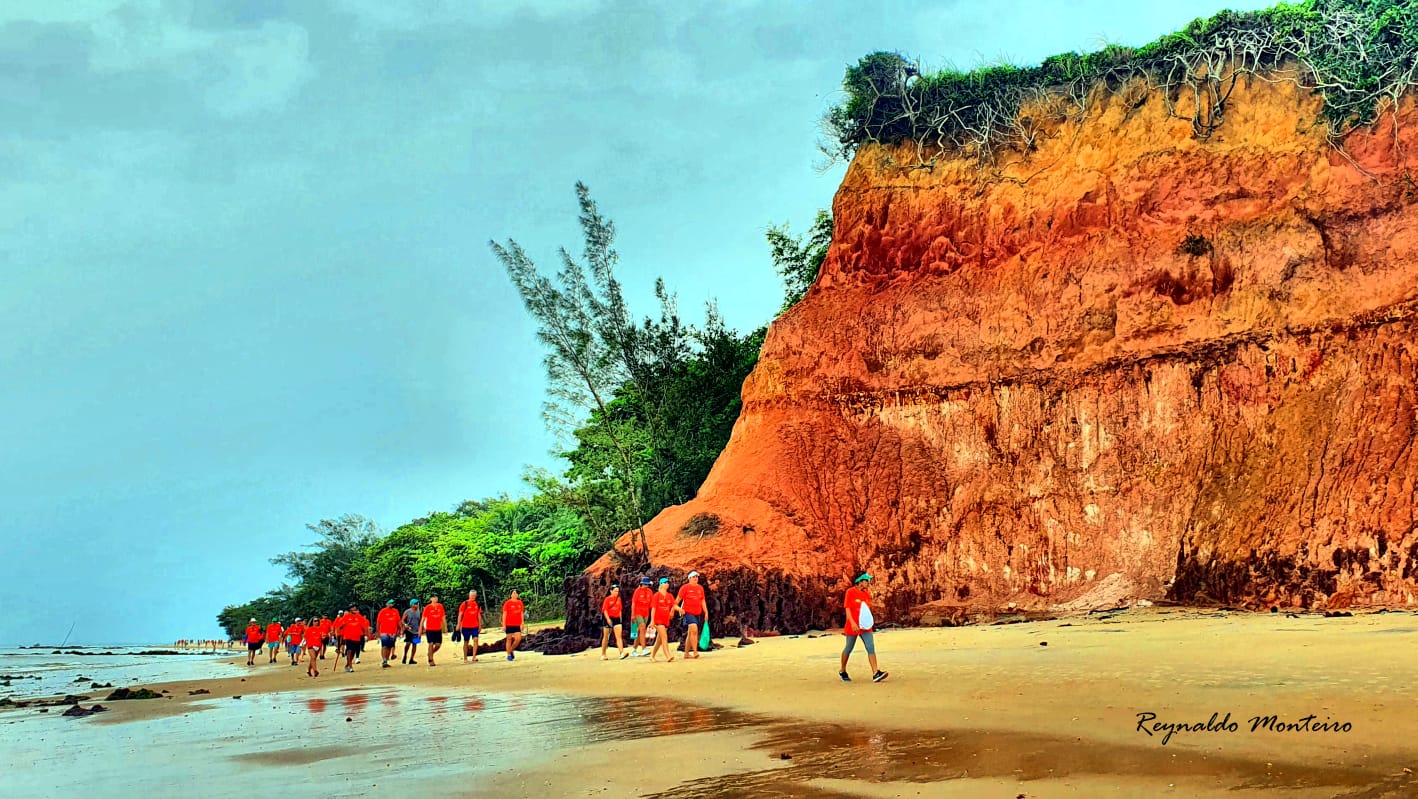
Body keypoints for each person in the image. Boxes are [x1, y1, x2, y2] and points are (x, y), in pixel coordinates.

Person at [840, 573, 888, 683]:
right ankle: (843, 670)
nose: (868, 583)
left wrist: (869, 623)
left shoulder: (866, 594)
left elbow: (865, 611)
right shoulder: (850, 592)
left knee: (870, 646)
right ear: (860, 581)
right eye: (866, 580)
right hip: (853, 625)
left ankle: (875, 673)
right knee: (849, 648)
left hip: (865, 626)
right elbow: (848, 609)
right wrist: (852, 623)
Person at [675, 571, 709, 660]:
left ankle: (686, 653)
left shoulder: (700, 588)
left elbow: (702, 601)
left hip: (697, 613)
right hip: (688, 613)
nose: (695, 578)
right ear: (689, 578)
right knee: (694, 630)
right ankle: (695, 652)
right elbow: (676, 601)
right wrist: (678, 609)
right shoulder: (685, 588)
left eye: (696, 577)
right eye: (693, 577)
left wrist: (706, 612)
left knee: (690, 633)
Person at [649, 578, 678, 662]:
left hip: (665, 620)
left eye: (667, 582)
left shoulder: (669, 595)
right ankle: (667, 655)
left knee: (659, 640)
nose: (667, 584)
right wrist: (652, 621)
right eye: (665, 582)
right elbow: (653, 609)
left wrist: (680, 609)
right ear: (661, 584)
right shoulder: (656, 595)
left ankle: (652, 655)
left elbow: (674, 605)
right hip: (658, 620)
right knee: (664, 637)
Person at [600, 584, 627, 660]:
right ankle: (603, 653)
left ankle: (621, 652)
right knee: (606, 637)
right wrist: (608, 619)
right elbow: (605, 610)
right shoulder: (607, 599)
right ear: (611, 591)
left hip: (616, 618)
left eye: (617, 591)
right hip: (608, 618)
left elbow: (620, 609)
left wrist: (620, 619)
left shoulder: (619, 599)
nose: (616, 593)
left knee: (619, 636)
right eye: (615, 591)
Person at [340, 604, 369, 673]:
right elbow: (341, 625)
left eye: (355, 607)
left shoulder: (359, 616)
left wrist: (366, 635)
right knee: (349, 650)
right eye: (352, 607)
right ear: (350, 609)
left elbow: (364, 626)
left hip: (357, 636)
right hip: (348, 636)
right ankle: (350, 666)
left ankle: (347, 664)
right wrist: (341, 627)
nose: (354, 608)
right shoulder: (346, 616)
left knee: (353, 652)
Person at [630, 577, 653, 657]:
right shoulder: (637, 591)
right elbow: (633, 603)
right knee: (642, 627)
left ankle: (634, 649)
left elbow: (651, 603)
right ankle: (644, 649)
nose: (646, 586)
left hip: (646, 613)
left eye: (647, 584)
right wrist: (633, 614)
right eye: (645, 584)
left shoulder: (650, 591)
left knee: (640, 631)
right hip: (638, 612)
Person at [421, 595, 447, 666]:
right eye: (434, 597)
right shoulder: (427, 607)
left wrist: (445, 627)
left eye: (436, 597)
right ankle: (431, 659)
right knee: (431, 643)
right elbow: (423, 618)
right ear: (431, 599)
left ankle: (430, 653)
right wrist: (421, 628)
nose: (435, 599)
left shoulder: (440, 606)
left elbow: (443, 617)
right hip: (429, 628)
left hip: (438, 628)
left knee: (438, 645)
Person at [376, 600, 401, 668]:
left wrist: (400, 629)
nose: (392, 604)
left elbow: (398, 621)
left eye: (393, 603)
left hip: (393, 632)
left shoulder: (395, 611)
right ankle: (384, 659)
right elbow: (378, 622)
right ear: (387, 604)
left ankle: (386, 660)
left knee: (390, 646)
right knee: (384, 646)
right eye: (391, 603)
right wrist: (377, 632)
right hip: (384, 631)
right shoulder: (383, 611)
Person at [458, 590, 481, 663]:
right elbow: (460, 615)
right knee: (466, 641)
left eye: (474, 595)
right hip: (465, 626)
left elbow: (478, 615)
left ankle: (474, 656)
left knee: (476, 639)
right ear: (469, 595)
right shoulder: (465, 603)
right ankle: (465, 657)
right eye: (472, 595)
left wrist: (480, 625)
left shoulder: (477, 604)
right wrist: (458, 625)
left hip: (475, 625)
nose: (473, 597)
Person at [502, 590, 524, 661]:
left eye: (516, 593)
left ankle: (511, 650)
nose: (515, 594)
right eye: (513, 593)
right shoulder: (507, 603)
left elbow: (521, 613)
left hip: (517, 624)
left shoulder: (520, 603)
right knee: (509, 639)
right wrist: (504, 625)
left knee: (518, 639)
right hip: (509, 624)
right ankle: (509, 655)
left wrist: (522, 623)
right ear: (511, 595)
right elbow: (504, 614)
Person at [401, 599, 422, 665]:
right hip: (409, 630)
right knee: (408, 643)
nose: (417, 605)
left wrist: (421, 629)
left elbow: (420, 621)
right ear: (412, 605)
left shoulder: (419, 612)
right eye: (415, 604)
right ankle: (405, 655)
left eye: (417, 603)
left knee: (415, 644)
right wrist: (405, 625)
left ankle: (411, 659)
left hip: (416, 631)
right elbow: (402, 620)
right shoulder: (407, 611)